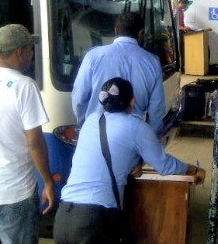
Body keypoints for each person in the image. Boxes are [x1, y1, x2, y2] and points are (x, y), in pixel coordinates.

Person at [54, 78, 205, 244]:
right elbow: (165, 165)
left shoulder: (91, 121)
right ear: (132, 101)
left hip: (63, 217)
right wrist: (193, 170)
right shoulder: (137, 128)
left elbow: (107, 153)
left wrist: (133, 164)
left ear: (104, 103)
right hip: (95, 219)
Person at [0, 24, 54, 244]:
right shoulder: (25, 86)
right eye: (30, 48)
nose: (32, 54)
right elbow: (34, 142)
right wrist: (48, 182)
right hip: (12, 194)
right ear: (19, 52)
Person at [72, 12, 165, 134]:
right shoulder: (152, 62)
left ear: (115, 30)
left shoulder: (93, 56)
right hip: (132, 137)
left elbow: (79, 97)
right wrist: (147, 138)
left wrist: (85, 124)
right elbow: (156, 111)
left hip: (95, 132)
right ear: (141, 33)